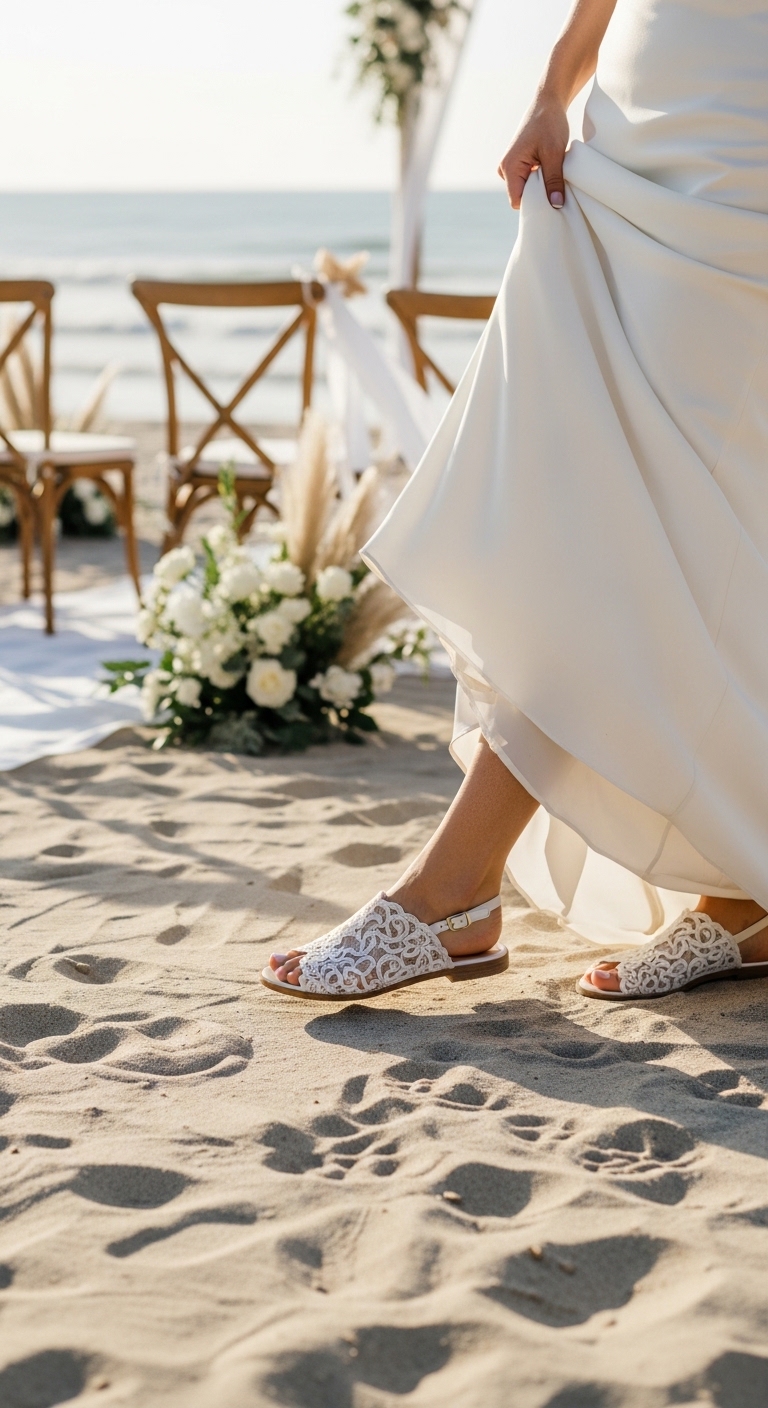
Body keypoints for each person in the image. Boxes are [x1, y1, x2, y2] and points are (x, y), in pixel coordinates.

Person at [264, 0, 768, 1003]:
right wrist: (552, 90)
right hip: (627, 134)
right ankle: (742, 898)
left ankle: (456, 885)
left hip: (743, 160)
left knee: (667, 515)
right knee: (592, 479)